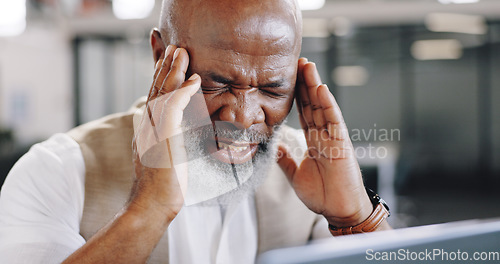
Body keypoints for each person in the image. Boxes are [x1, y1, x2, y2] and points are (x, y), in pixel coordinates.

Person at [0, 0, 391, 263]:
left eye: (272, 89)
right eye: (216, 84)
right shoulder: (56, 172)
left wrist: (354, 217)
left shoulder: (309, 169)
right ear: (160, 57)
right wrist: (147, 209)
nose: (243, 117)